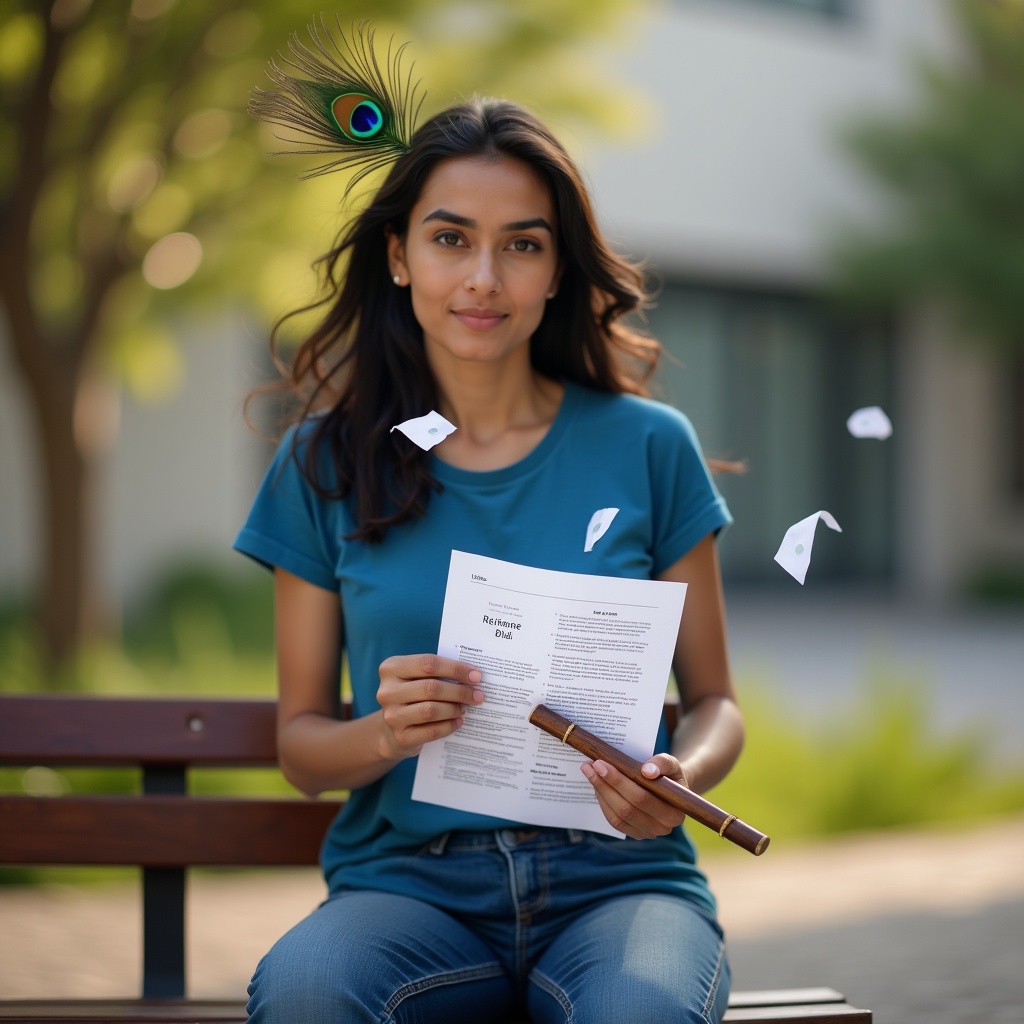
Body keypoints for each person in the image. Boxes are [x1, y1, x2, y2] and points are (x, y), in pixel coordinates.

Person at [235, 44, 744, 1023]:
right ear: (398, 255)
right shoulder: (320, 463)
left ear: (557, 269)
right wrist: (385, 730)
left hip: (620, 880)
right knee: (303, 994)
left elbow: (716, 700)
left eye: (521, 243)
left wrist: (680, 774)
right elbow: (302, 746)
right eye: (449, 238)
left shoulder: (648, 444)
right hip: (409, 888)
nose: (482, 276)